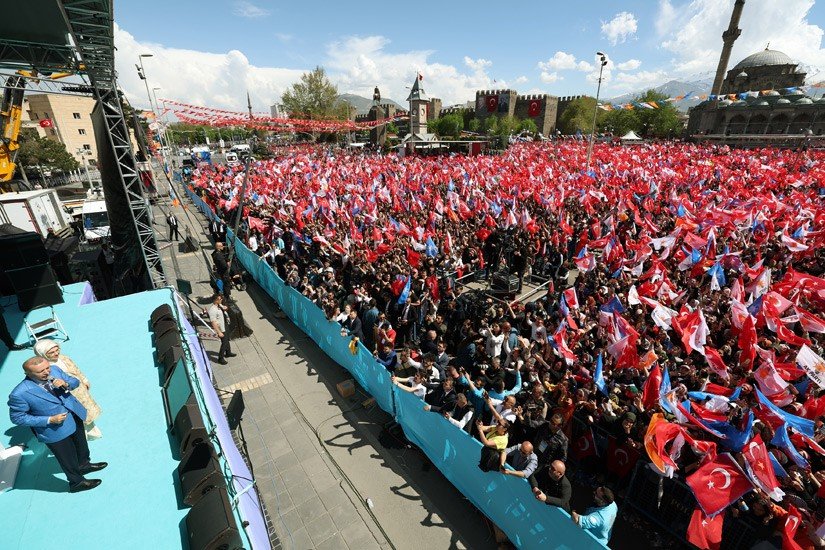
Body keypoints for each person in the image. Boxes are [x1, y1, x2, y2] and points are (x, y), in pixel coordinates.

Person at [7, 356, 107, 492]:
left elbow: (75, 382)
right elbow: (17, 418)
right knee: (67, 457)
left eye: (47, 368)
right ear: (28, 374)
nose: (47, 372)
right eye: (41, 371)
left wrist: (66, 384)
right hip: (53, 429)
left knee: (81, 444)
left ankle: (84, 464)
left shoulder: (55, 370)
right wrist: (49, 420)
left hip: (73, 414)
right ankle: (76, 483)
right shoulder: (19, 394)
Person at [34, 339, 102, 439]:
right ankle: (81, 435)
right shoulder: (44, 369)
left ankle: (92, 431)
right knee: (76, 415)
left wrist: (84, 380)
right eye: (51, 352)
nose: (56, 353)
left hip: (80, 390)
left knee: (87, 411)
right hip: (67, 395)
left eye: (57, 350)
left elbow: (76, 370)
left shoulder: (64, 358)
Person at [208, 294, 235, 364]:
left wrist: (225, 308)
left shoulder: (219, 305)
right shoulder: (212, 310)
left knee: (227, 339)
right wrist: (219, 332)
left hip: (225, 324)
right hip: (221, 328)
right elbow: (213, 322)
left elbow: (225, 309)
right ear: (216, 300)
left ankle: (228, 352)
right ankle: (220, 358)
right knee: (224, 342)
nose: (221, 300)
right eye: (220, 299)